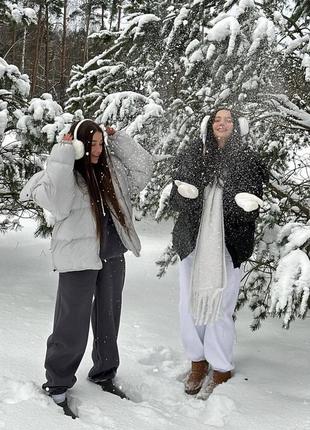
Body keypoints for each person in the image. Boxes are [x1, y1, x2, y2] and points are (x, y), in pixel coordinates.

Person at [20, 119, 153, 418]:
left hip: (113, 253)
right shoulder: (67, 175)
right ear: (79, 145)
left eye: (99, 143)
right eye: (89, 143)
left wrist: (119, 140)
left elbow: (145, 168)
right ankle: (57, 383)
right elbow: (53, 200)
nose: (96, 149)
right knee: (71, 323)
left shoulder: (113, 170)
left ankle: (105, 372)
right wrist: (64, 153)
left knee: (108, 318)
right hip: (78, 257)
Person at [169, 108, 268, 398]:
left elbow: (252, 204)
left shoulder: (247, 159)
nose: (221, 124)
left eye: (227, 120)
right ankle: (197, 362)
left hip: (228, 245)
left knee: (221, 306)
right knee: (189, 303)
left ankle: (221, 366)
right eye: (217, 120)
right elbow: (177, 195)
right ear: (210, 126)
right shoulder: (194, 154)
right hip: (193, 243)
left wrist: (243, 205)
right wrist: (187, 195)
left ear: (236, 127)